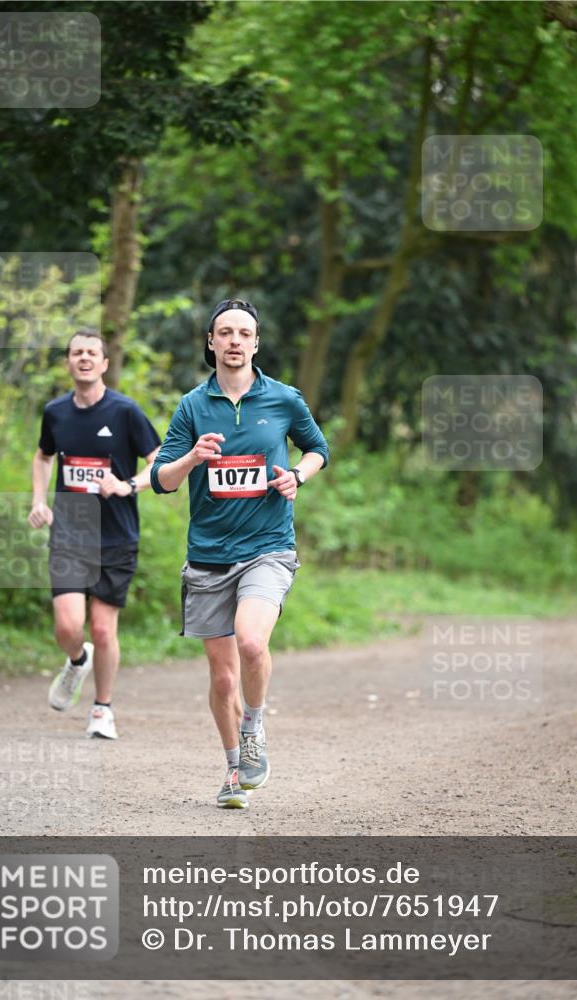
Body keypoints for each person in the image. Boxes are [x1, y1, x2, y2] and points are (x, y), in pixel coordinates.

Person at [152, 298, 329, 808]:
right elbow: (163, 481)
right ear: (211, 342)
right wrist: (192, 457)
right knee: (223, 675)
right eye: (224, 332)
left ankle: (254, 727)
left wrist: (297, 475)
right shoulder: (192, 405)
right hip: (208, 555)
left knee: (252, 643)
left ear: (255, 343)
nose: (234, 341)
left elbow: (318, 449)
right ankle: (235, 770)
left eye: (243, 333)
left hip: (267, 548)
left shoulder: (284, 399)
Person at [28, 328, 160, 739]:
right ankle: (75, 658)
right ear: (68, 363)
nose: (84, 358)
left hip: (116, 534)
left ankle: (102, 709)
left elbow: (159, 461)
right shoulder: (56, 412)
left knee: (103, 629)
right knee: (69, 627)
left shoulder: (125, 412)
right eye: (76, 353)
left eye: (92, 353)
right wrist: (38, 500)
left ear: (104, 364)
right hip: (70, 530)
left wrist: (128, 485)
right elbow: (43, 455)